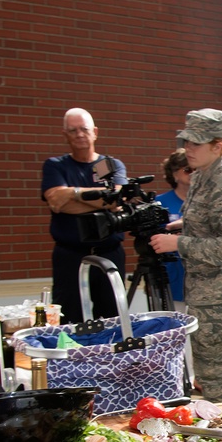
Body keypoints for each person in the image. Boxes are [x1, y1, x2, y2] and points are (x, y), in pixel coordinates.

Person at [149, 109, 222, 411]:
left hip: (220, 293)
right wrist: (182, 227)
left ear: (218, 146)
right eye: (186, 142)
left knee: (213, 375)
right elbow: (210, 224)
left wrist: (177, 242)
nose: (188, 150)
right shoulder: (202, 177)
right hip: (207, 290)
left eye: (196, 143)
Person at [41, 108, 128, 324]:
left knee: (113, 319)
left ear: (95, 132)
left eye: (84, 129)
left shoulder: (105, 165)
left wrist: (73, 193)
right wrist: (99, 202)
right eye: (73, 130)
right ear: (65, 135)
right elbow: (56, 202)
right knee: (69, 319)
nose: (79, 134)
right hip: (70, 256)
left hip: (108, 253)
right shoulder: (57, 166)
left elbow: (115, 200)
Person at [154, 149, 192, 307]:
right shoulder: (160, 203)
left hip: (202, 281)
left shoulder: (206, 203)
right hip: (172, 279)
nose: (193, 173)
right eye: (187, 169)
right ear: (174, 174)